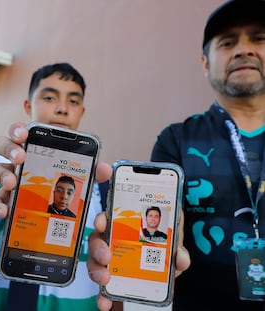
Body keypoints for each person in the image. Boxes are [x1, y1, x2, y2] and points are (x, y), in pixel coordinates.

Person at [88, 0, 265, 310]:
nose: (244, 50)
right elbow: (166, 215)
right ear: (205, 63)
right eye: (228, 42)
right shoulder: (177, 139)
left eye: (258, 38)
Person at [0, 62, 113, 310]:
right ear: (28, 105)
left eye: (73, 101)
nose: (62, 109)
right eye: (49, 97)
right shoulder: (3, 161)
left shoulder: (101, 184)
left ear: (82, 111)